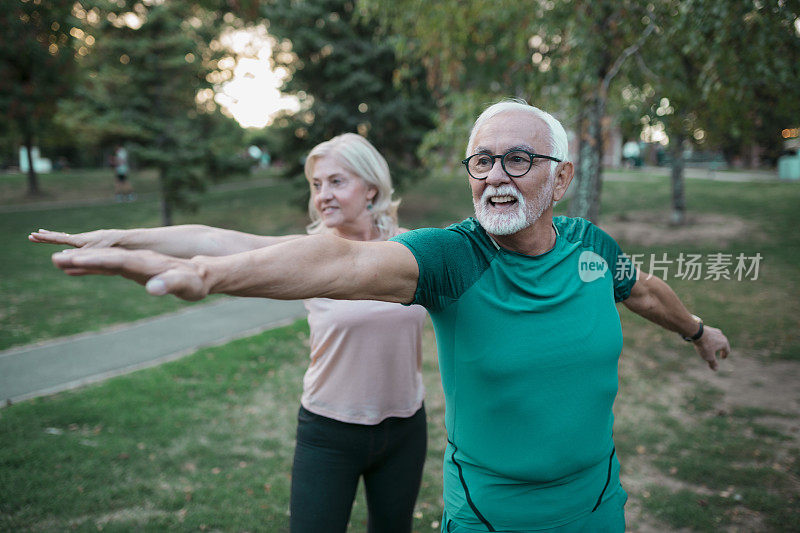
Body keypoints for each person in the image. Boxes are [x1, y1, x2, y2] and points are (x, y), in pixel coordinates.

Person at [43, 100, 731, 532]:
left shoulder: (591, 248)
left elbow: (642, 291)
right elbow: (332, 266)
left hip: (595, 504)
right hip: (487, 511)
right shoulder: (449, 257)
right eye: (482, 159)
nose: (495, 173)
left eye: (518, 159)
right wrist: (202, 271)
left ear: (561, 177)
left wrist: (697, 329)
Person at [31, 133, 429, 533]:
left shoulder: (412, 252)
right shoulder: (308, 256)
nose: (322, 194)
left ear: (372, 187)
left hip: (405, 428)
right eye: (315, 184)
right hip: (329, 432)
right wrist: (116, 237)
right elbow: (215, 238)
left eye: (336, 182)